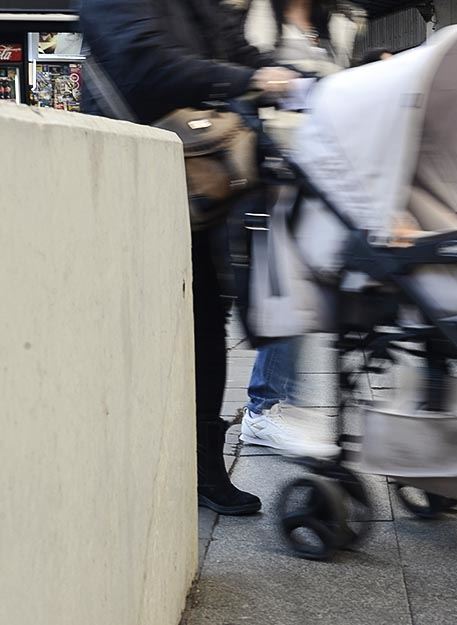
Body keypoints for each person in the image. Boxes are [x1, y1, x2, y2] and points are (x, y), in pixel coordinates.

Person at [80, 0, 301, 516]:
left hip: (194, 177)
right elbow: (145, 65)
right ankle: (126, 460)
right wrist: (252, 77)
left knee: (206, 315)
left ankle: (203, 464)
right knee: (135, 321)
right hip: (128, 175)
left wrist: (292, 76)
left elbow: (238, 48)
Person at [240, 0, 353, 457]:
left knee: (309, 295)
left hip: (324, 180)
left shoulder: (333, 26)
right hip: (279, 179)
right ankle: (263, 409)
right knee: (287, 292)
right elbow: (246, 95)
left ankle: (279, 402)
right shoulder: (260, 20)